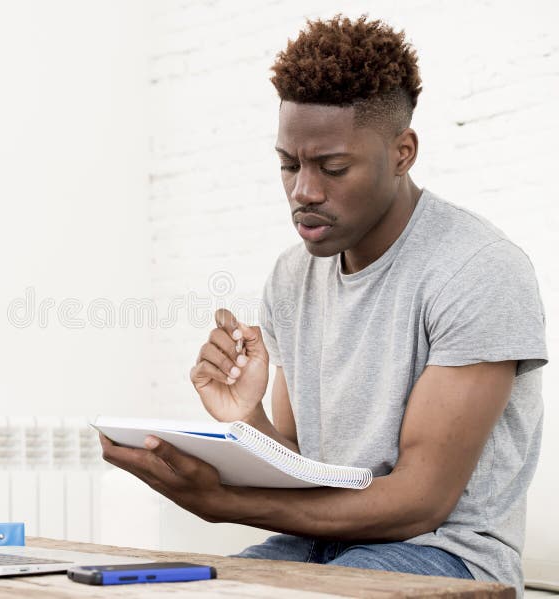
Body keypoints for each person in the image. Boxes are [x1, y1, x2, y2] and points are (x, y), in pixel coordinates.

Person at [99, 14, 547, 596]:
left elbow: (419, 504)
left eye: (332, 168)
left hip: (445, 557)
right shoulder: (293, 274)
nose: (304, 191)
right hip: (319, 544)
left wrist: (226, 501)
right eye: (289, 165)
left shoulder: (477, 269)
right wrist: (247, 419)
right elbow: (302, 472)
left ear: (402, 152)